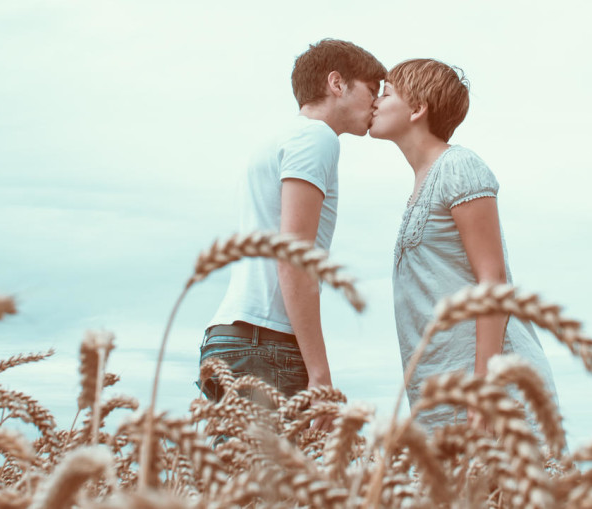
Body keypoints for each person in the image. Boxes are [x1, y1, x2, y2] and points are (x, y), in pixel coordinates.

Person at [199, 39, 386, 422]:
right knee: (268, 481)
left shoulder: (282, 139)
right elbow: (294, 258)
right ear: (337, 83)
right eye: (372, 90)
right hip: (266, 343)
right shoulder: (316, 139)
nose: (377, 103)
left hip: (236, 338)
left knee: (238, 480)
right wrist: (319, 374)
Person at [369, 58, 557, 429]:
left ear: (418, 109)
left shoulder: (459, 166)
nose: (374, 102)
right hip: (439, 393)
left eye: (385, 93)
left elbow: (493, 280)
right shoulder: (419, 185)